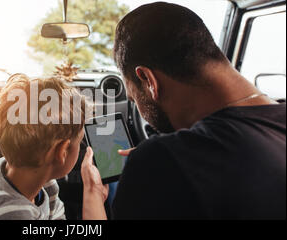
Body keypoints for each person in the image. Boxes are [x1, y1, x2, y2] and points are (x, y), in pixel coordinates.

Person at [84, 2, 286, 219]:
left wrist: (95, 192)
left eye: (133, 96)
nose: (135, 102)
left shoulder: (162, 162)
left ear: (148, 79)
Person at [0, 74, 108, 220]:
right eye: (79, 142)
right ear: (62, 151)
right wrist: (94, 194)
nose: (81, 147)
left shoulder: (33, 179)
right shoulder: (10, 214)